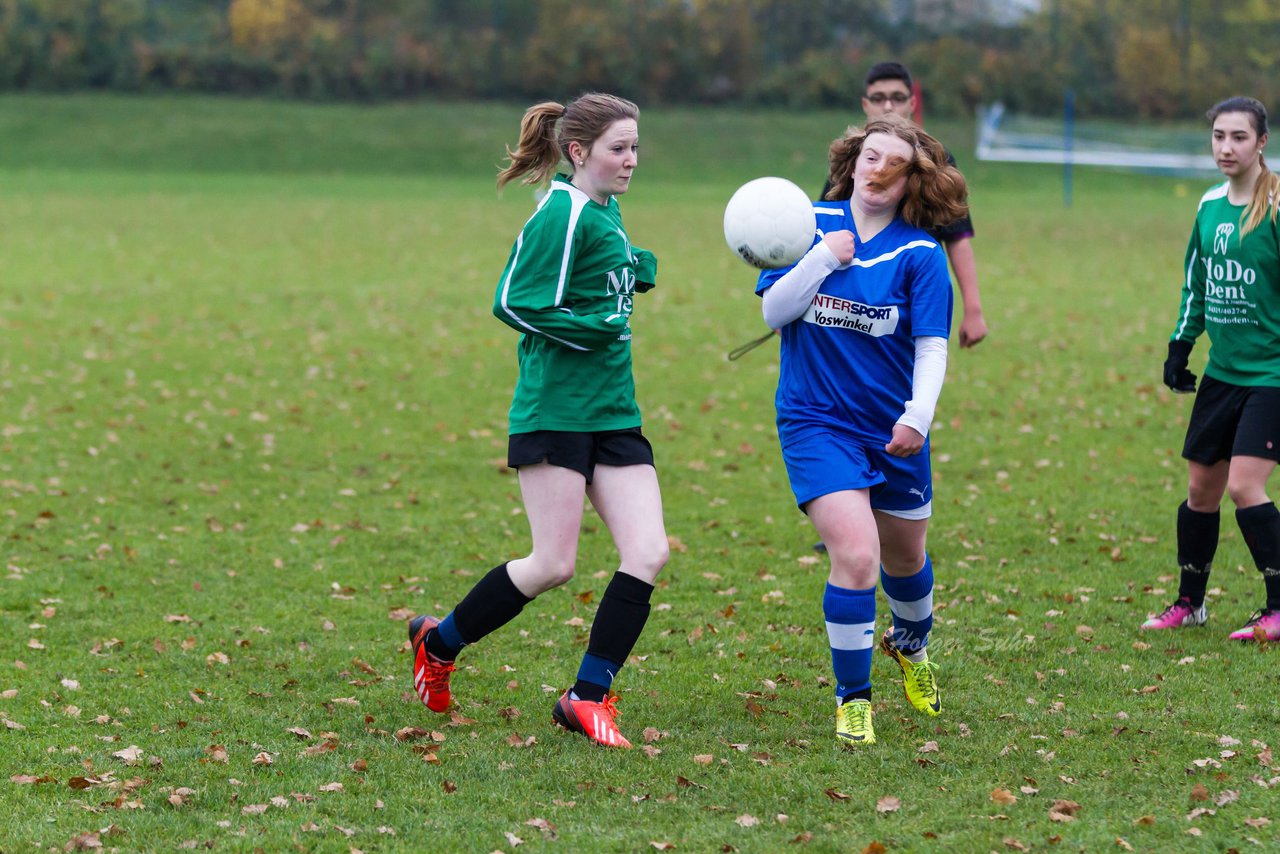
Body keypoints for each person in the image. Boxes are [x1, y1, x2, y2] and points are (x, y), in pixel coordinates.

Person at [407, 93, 669, 748]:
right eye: (619, 148)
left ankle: (586, 696)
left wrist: (631, 272)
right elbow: (514, 302)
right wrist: (593, 327)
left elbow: (589, 289)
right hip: (556, 410)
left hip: (614, 410)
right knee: (553, 563)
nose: (632, 159)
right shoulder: (562, 211)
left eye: (636, 146)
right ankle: (438, 645)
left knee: (649, 551)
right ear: (578, 152)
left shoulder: (604, 209)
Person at [758, 113, 969, 745]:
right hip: (815, 422)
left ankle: (911, 646)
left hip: (893, 429)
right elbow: (774, 311)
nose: (877, 171)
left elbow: (932, 347)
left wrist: (918, 416)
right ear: (851, 162)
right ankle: (854, 700)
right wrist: (823, 258)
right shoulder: (807, 227)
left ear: (911, 182)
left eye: (893, 164)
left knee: (906, 560)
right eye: (869, 157)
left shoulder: (920, 254)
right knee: (856, 556)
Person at [1141, 95, 1280, 642]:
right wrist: (1181, 345)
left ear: (1261, 141)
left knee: (1246, 487)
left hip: (1271, 374)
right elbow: (1197, 284)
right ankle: (1190, 601)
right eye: (1219, 135)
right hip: (1222, 374)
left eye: (1239, 136)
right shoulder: (1208, 206)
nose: (1226, 147)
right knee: (1201, 492)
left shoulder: (1275, 204)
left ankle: (1278, 605)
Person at [820, 61, 987, 349]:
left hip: (913, 297)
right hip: (852, 303)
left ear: (912, 103)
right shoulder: (855, 161)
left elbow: (957, 237)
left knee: (911, 377)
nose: (888, 105)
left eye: (897, 98)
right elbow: (819, 233)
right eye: (878, 98)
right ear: (865, 104)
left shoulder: (938, 161)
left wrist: (973, 310)